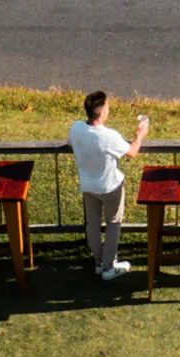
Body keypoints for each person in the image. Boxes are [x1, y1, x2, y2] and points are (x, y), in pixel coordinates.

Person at [67, 90, 148, 281]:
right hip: (110, 187)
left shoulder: (76, 128)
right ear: (102, 111)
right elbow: (132, 152)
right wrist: (140, 134)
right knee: (113, 223)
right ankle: (109, 266)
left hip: (88, 187)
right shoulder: (109, 136)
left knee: (92, 225)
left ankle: (98, 263)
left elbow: (71, 143)